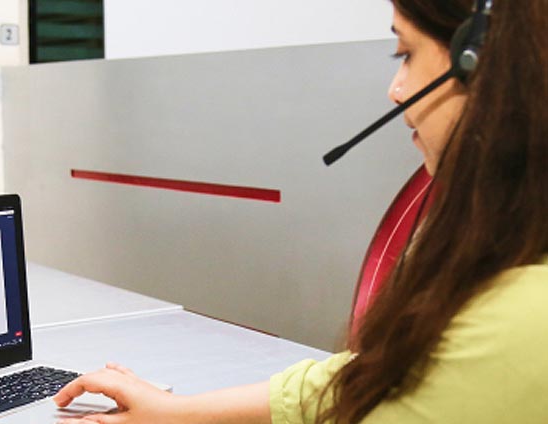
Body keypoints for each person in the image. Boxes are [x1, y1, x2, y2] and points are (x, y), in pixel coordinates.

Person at [53, 1, 548, 423]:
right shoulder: (512, 258)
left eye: (406, 53)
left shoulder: (511, 326)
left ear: (478, 62)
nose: (396, 91)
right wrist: (178, 412)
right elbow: (364, 376)